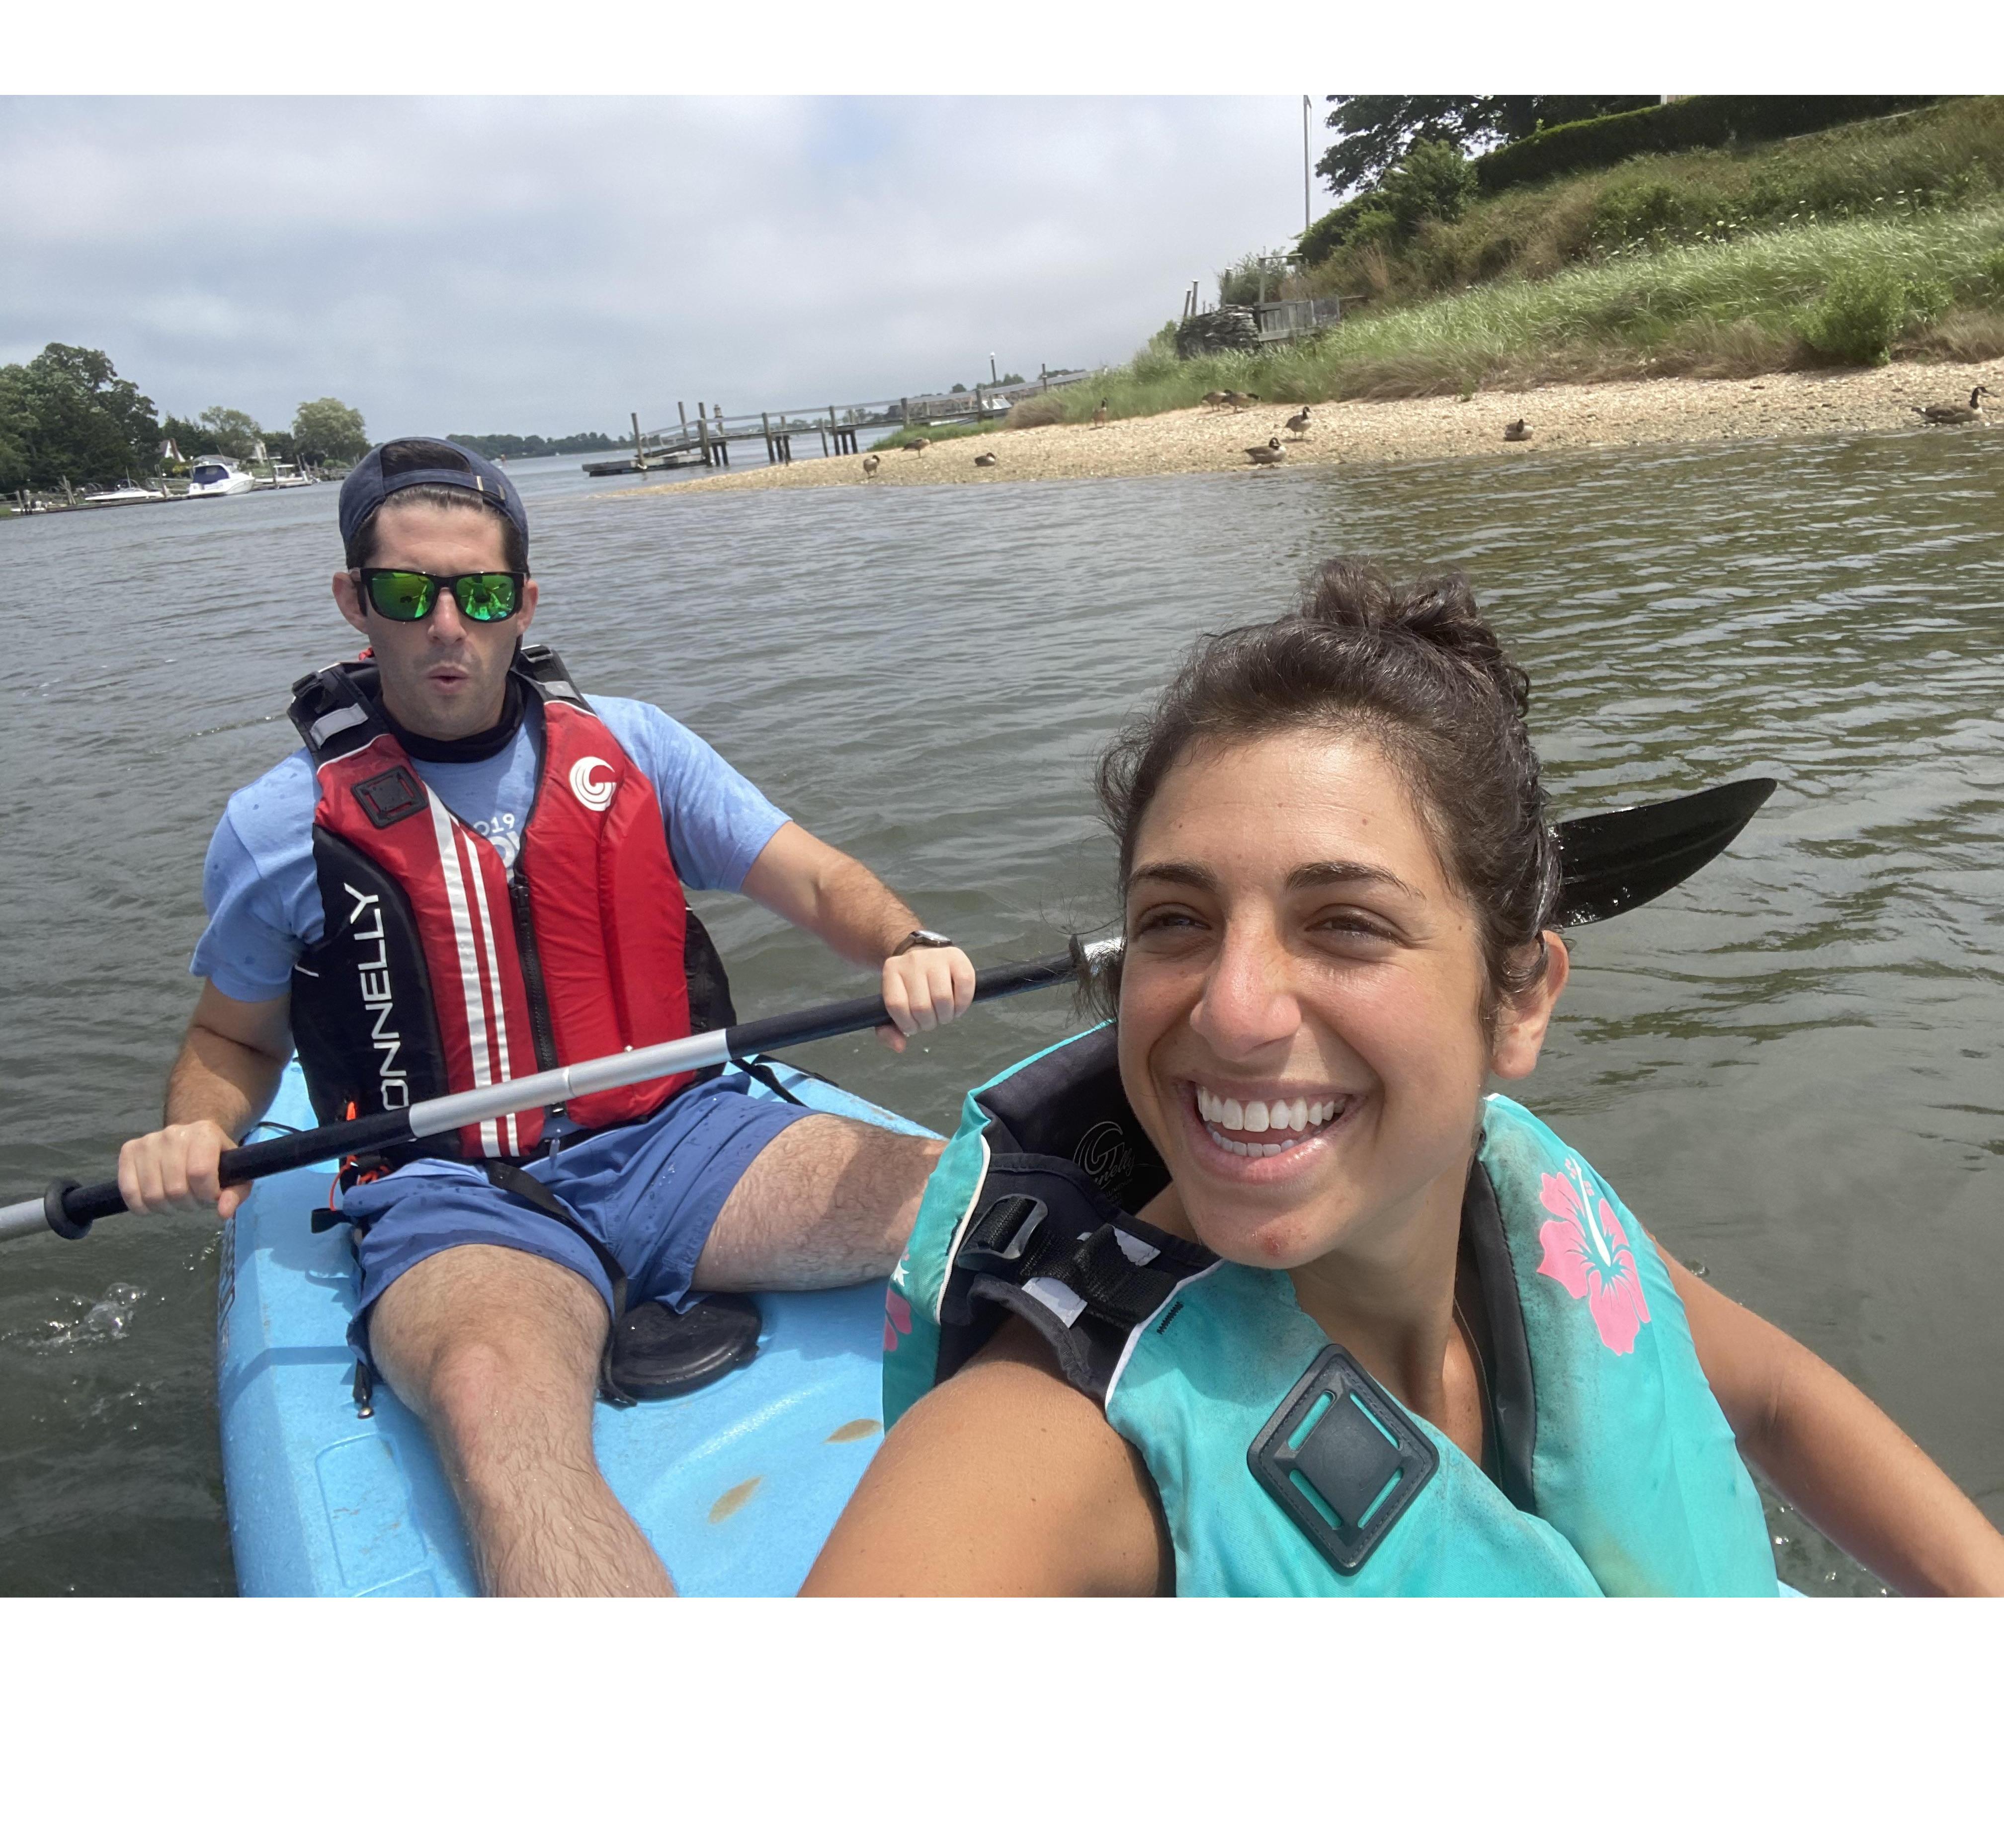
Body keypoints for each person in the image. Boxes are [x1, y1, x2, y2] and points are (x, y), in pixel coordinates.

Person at [804, 559, 2004, 1596]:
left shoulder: (1520, 1203)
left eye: (1345, 925)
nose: (1232, 1011)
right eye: (1177, 919)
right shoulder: (1053, 1447)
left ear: (1520, 998)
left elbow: (1781, 1398)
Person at [117, 436, 977, 1597]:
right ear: (353, 603)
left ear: (521, 602)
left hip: (683, 1141)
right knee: (491, 1409)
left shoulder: (635, 747)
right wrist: (194, 1130)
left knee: (984, 1198)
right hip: (444, 1192)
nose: (445, 626)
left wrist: (902, 944)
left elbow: (820, 883)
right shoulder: (276, 828)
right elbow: (231, 1043)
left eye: (477, 593)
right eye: (406, 593)